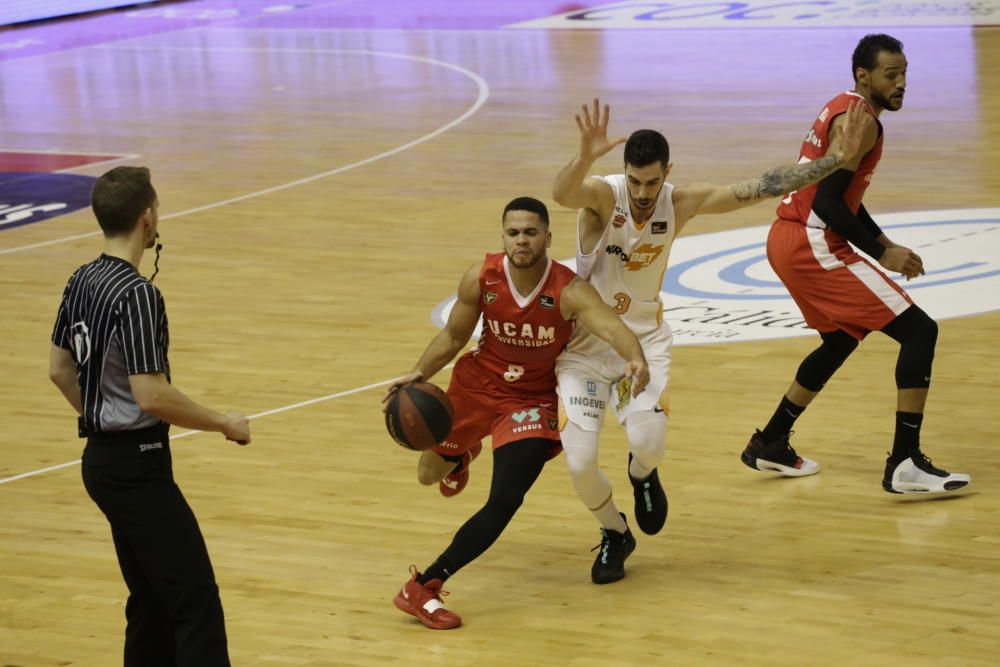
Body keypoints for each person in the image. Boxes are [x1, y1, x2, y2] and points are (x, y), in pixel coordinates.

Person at [551, 97, 867, 583]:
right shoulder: (602, 196)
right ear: (624, 173)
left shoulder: (679, 202)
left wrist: (833, 163)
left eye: (652, 181)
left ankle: (642, 476)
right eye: (634, 180)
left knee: (647, 444)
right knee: (580, 464)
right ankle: (615, 533)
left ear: (667, 172)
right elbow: (562, 193)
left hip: (646, 339)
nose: (641, 192)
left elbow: (758, 187)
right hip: (587, 346)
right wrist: (586, 156)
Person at [384, 196, 649, 629]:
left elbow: (611, 325)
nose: (521, 240)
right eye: (513, 232)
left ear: (547, 236)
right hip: (475, 386)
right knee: (428, 474)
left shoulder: (568, 289)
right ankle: (464, 455)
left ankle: (423, 586)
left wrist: (634, 357)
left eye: (530, 232)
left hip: (530, 403)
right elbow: (453, 336)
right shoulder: (482, 277)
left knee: (504, 500)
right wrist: (417, 373)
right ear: (503, 236)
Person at [739, 34, 970, 494]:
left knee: (840, 339)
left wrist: (884, 240)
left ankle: (770, 442)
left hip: (786, 236)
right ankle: (904, 463)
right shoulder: (861, 122)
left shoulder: (842, 107)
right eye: (892, 75)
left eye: (904, 73)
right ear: (864, 77)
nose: (902, 83)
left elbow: (839, 196)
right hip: (810, 240)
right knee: (920, 331)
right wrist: (880, 253)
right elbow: (829, 204)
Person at [48, 166, 251, 666]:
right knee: (194, 599)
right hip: (137, 469)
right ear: (147, 217)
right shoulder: (138, 295)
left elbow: (58, 369)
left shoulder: (82, 278)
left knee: (151, 600)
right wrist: (223, 422)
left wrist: (99, 417)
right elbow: (152, 395)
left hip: (102, 461)